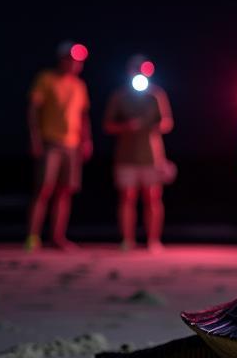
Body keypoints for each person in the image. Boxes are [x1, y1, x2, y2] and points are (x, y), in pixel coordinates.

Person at [103, 55, 175, 252]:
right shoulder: (119, 95)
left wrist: (151, 125)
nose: (140, 72)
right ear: (129, 71)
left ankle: (153, 240)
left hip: (152, 155)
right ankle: (127, 239)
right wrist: (127, 126)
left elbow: (167, 122)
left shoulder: (156, 95)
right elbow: (108, 125)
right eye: (136, 69)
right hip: (126, 155)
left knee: (153, 197)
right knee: (127, 197)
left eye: (144, 69)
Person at [26, 42, 92, 251]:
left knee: (65, 191)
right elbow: (33, 109)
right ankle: (33, 236)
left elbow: (83, 116)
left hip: (72, 144)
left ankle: (58, 236)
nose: (75, 64)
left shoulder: (79, 85)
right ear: (62, 59)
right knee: (44, 188)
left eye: (79, 61)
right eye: (71, 59)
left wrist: (86, 140)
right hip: (50, 142)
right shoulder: (46, 78)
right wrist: (34, 138)